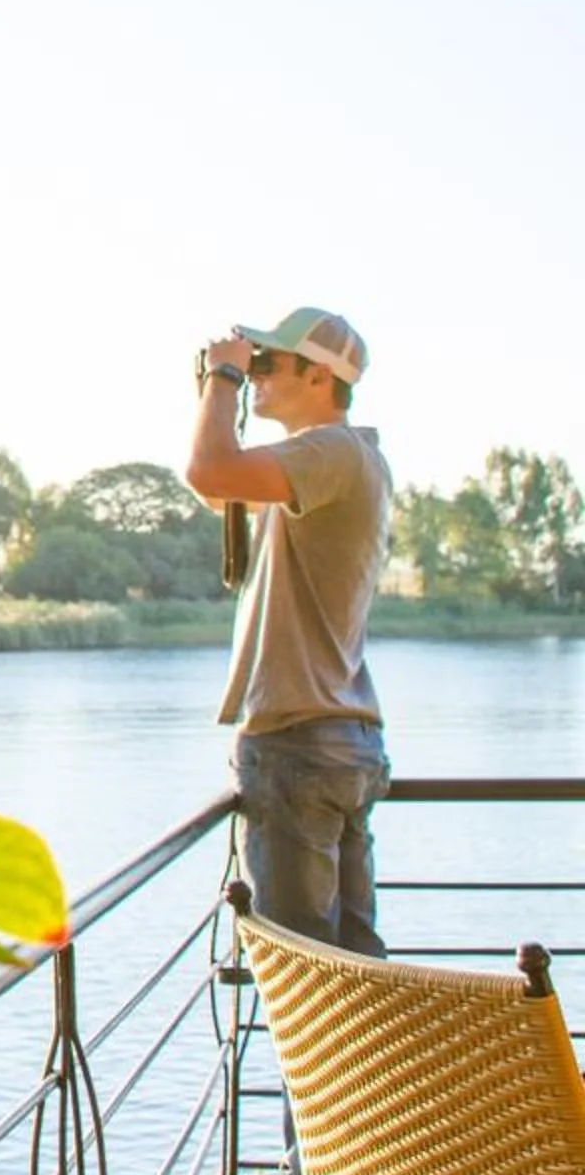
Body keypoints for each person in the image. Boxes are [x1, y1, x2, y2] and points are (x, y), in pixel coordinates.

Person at [186, 307, 393, 950]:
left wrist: (224, 376)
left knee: (307, 970)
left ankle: (325, 1056)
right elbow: (221, 491)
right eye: (256, 364)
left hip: (299, 744)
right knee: (355, 964)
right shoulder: (333, 462)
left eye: (270, 364)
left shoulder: (331, 451)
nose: (259, 376)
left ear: (318, 376)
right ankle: (368, 1054)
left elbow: (209, 471)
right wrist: (214, 393)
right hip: (334, 739)